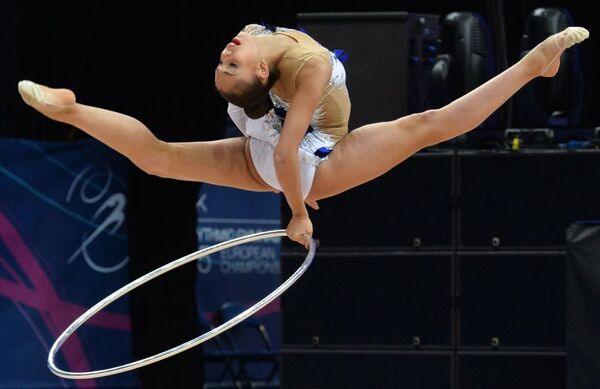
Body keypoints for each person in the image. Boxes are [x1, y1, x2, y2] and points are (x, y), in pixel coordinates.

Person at [18, 24, 589, 248]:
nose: (229, 48)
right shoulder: (286, 63)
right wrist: (297, 205)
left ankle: (530, 66)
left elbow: (286, 145)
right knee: (427, 126)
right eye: (229, 60)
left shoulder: (294, 61)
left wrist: (293, 202)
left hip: (285, 147)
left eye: (231, 56)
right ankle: (72, 112)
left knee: (160, 160)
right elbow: (285, 147)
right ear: (263, 76)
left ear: (266, 72)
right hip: (286, 152)